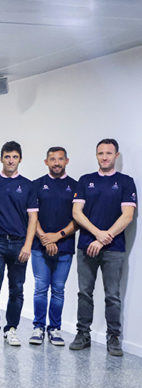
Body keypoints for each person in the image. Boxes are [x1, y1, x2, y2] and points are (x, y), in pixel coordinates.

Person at [70, 138, 136, 356]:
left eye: (109, 153)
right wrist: (97, 234)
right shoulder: (85, 180)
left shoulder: (125, 182)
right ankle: (83, 334)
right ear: (96, 155)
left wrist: (102, 239)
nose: (104, 157)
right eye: (100, 153)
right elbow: (77, 212)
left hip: (114, 249)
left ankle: (113, 337)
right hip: (86, 247)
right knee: (84, 293)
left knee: (113, 295)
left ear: (116, 156)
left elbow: (127, 216)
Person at [0, 141, 38, 347]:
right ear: (1, 158)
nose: (11, 161)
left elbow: (33, 219)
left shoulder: (28, 185)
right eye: (7, 157)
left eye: (14, 157)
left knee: (17, 289)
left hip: (19, 244)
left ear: (20, 159)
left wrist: (28, 245)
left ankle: (11, 329)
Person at [28, 147, 77, 347]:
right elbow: (32, 216)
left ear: (67, 161)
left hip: (65, 247)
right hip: (39, 247)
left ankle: (55, 328)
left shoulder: (76, 186)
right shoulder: (36, 185)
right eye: (52, 159)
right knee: (40, 288)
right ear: (46, 162)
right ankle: (38, 327)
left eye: (60, 159)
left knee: (58, 289)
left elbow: (78, 218)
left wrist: (57, 237)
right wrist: (45, 239)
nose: (56, 163)